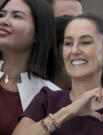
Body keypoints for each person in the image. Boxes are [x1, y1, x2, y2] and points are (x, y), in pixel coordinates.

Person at [13, 13, 103, 135]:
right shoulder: (47, 99)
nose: (74, 50)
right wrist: (68, 111)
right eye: (68, 43)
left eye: (85, 42)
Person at [0, 0, 60, 134]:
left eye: (17, 16)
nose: (4, 21)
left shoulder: (52, 96)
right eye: (1, 15)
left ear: (39, 32)